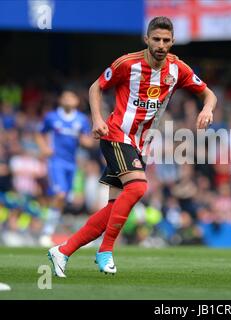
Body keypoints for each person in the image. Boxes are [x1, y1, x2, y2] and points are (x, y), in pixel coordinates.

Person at [48, 16, 217, 277]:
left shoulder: (178, 69)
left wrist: (207, 109)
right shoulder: (127, 63)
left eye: (166, 40)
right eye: (157, 39)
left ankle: (63, 251)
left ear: (172, 42)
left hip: (140, 143)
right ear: (147, 39)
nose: (161, 45)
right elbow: (96, 87)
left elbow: (209, 93)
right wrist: (97, 119)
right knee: (138, 186)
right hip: (116, 134)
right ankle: (105, 251)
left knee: (113, 208)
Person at [36, 88, 93, 247]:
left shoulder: (81, 119)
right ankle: (46, 232)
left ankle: (68, 233)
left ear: (76, 101)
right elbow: (39, 133)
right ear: (60, 100)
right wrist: (44, 148)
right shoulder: (52, 117)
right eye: (65, 97)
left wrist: (91, 140)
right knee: (60, 195)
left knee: (67, 199)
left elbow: (86, 140)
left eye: (71, 97)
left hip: (72, 163)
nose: (68, 100)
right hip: (56, 162)